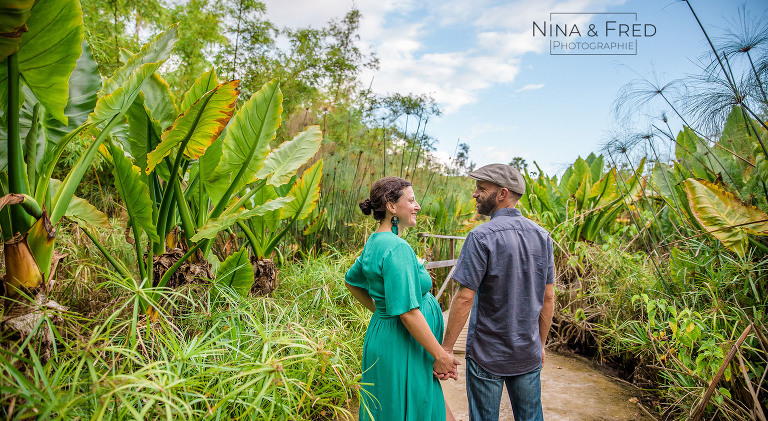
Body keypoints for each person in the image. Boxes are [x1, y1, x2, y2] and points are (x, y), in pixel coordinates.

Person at [441, 164, 555, 421]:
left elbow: (464, 298)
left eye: (482, 189)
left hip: (486, 353)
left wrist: (447, 349)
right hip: (527, 351)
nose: (475, 194)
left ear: (502, 193)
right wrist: (541, 344)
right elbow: (548, 298)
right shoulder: (543, 236)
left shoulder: (481, 236)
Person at [345, 177, 459, 421]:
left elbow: (351, 281)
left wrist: (382, 310)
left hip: (389, 338)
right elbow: (407, 312)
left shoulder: (375, 241)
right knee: (415, 405)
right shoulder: (397, 248)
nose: (417, 206)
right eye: (411, 200)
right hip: (403, 342)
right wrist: (440, 355)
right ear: (391, 206)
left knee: (397, 406)